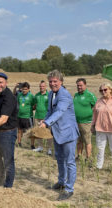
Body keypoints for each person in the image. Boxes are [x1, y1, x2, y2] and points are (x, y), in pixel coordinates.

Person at [40, 70, 79, 201]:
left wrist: (47, 123)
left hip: (68, 133)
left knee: (69, 161)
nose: (52, 84)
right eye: (50, 81)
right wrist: (44, 120)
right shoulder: (51, 93)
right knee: (59, 158)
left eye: (55, 81)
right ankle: (61, 181)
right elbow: (50, 111)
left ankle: (69, 189)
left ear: (61, 82)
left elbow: (60, 112)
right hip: (57, 133)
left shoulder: (65, 95)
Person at [73, 78, 97, 160]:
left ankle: (88, 158)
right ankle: (79, 156)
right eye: (78, 85)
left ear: (85, 85)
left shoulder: (90, 95)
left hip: (86, 123)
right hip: (77, 122)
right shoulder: (76, 95)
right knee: (79, 140)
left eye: (81, 85)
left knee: (87, 141)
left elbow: (96, 107)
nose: (79, 87)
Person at [32, 80, 52, 155]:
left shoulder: (49, 95)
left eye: (43, 86)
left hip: (47, 117)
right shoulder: (37, 95)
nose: (41, 87)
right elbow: (34, 105)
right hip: (37, 116)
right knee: (38, 132)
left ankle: (49, 149)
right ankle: (40, 147)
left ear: (46, 87)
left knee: (48, 133)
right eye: (40, 86)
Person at [16, 82, 35, 149]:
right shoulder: (19, 95)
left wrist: (29, 110)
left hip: (28, 117)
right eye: (23, 89)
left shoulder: (31, 96)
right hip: (19, 116)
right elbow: (18, 103)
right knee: (19, 130)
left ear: (29, 89)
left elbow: (34, 105)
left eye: (26, 89)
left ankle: (32, 145)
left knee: (31, 131)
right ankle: (19, 143)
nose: (24, 90)